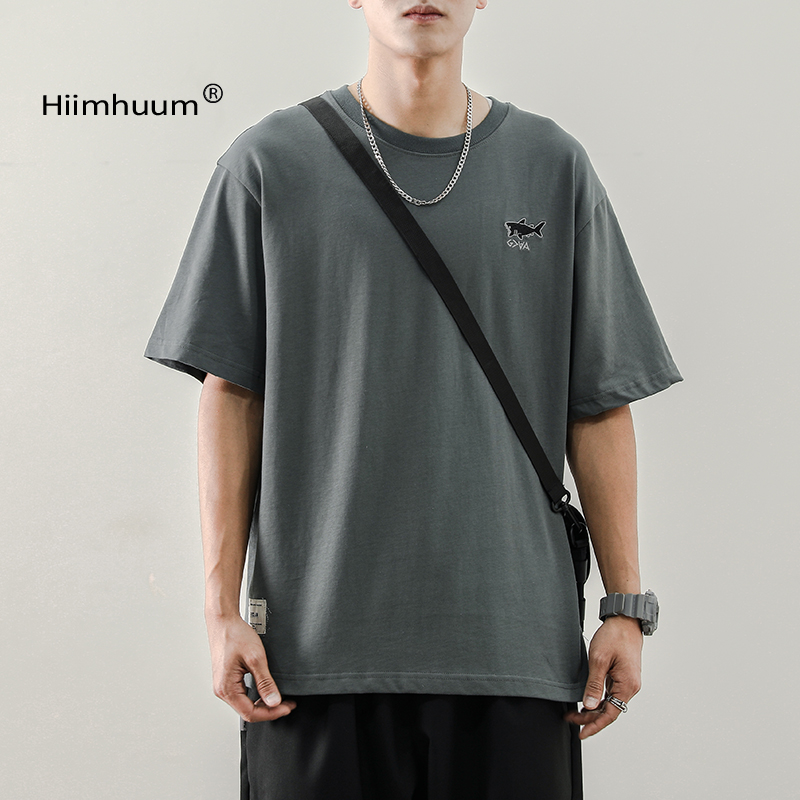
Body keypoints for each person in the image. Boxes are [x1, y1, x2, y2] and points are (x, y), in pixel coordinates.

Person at [144, 1, 682, 797]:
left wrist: (626, 607)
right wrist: (220, 611)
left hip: (510, 649)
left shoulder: (552, 167)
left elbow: (598, 403)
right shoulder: (268, 164)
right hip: (313, 656)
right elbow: (231, 393)